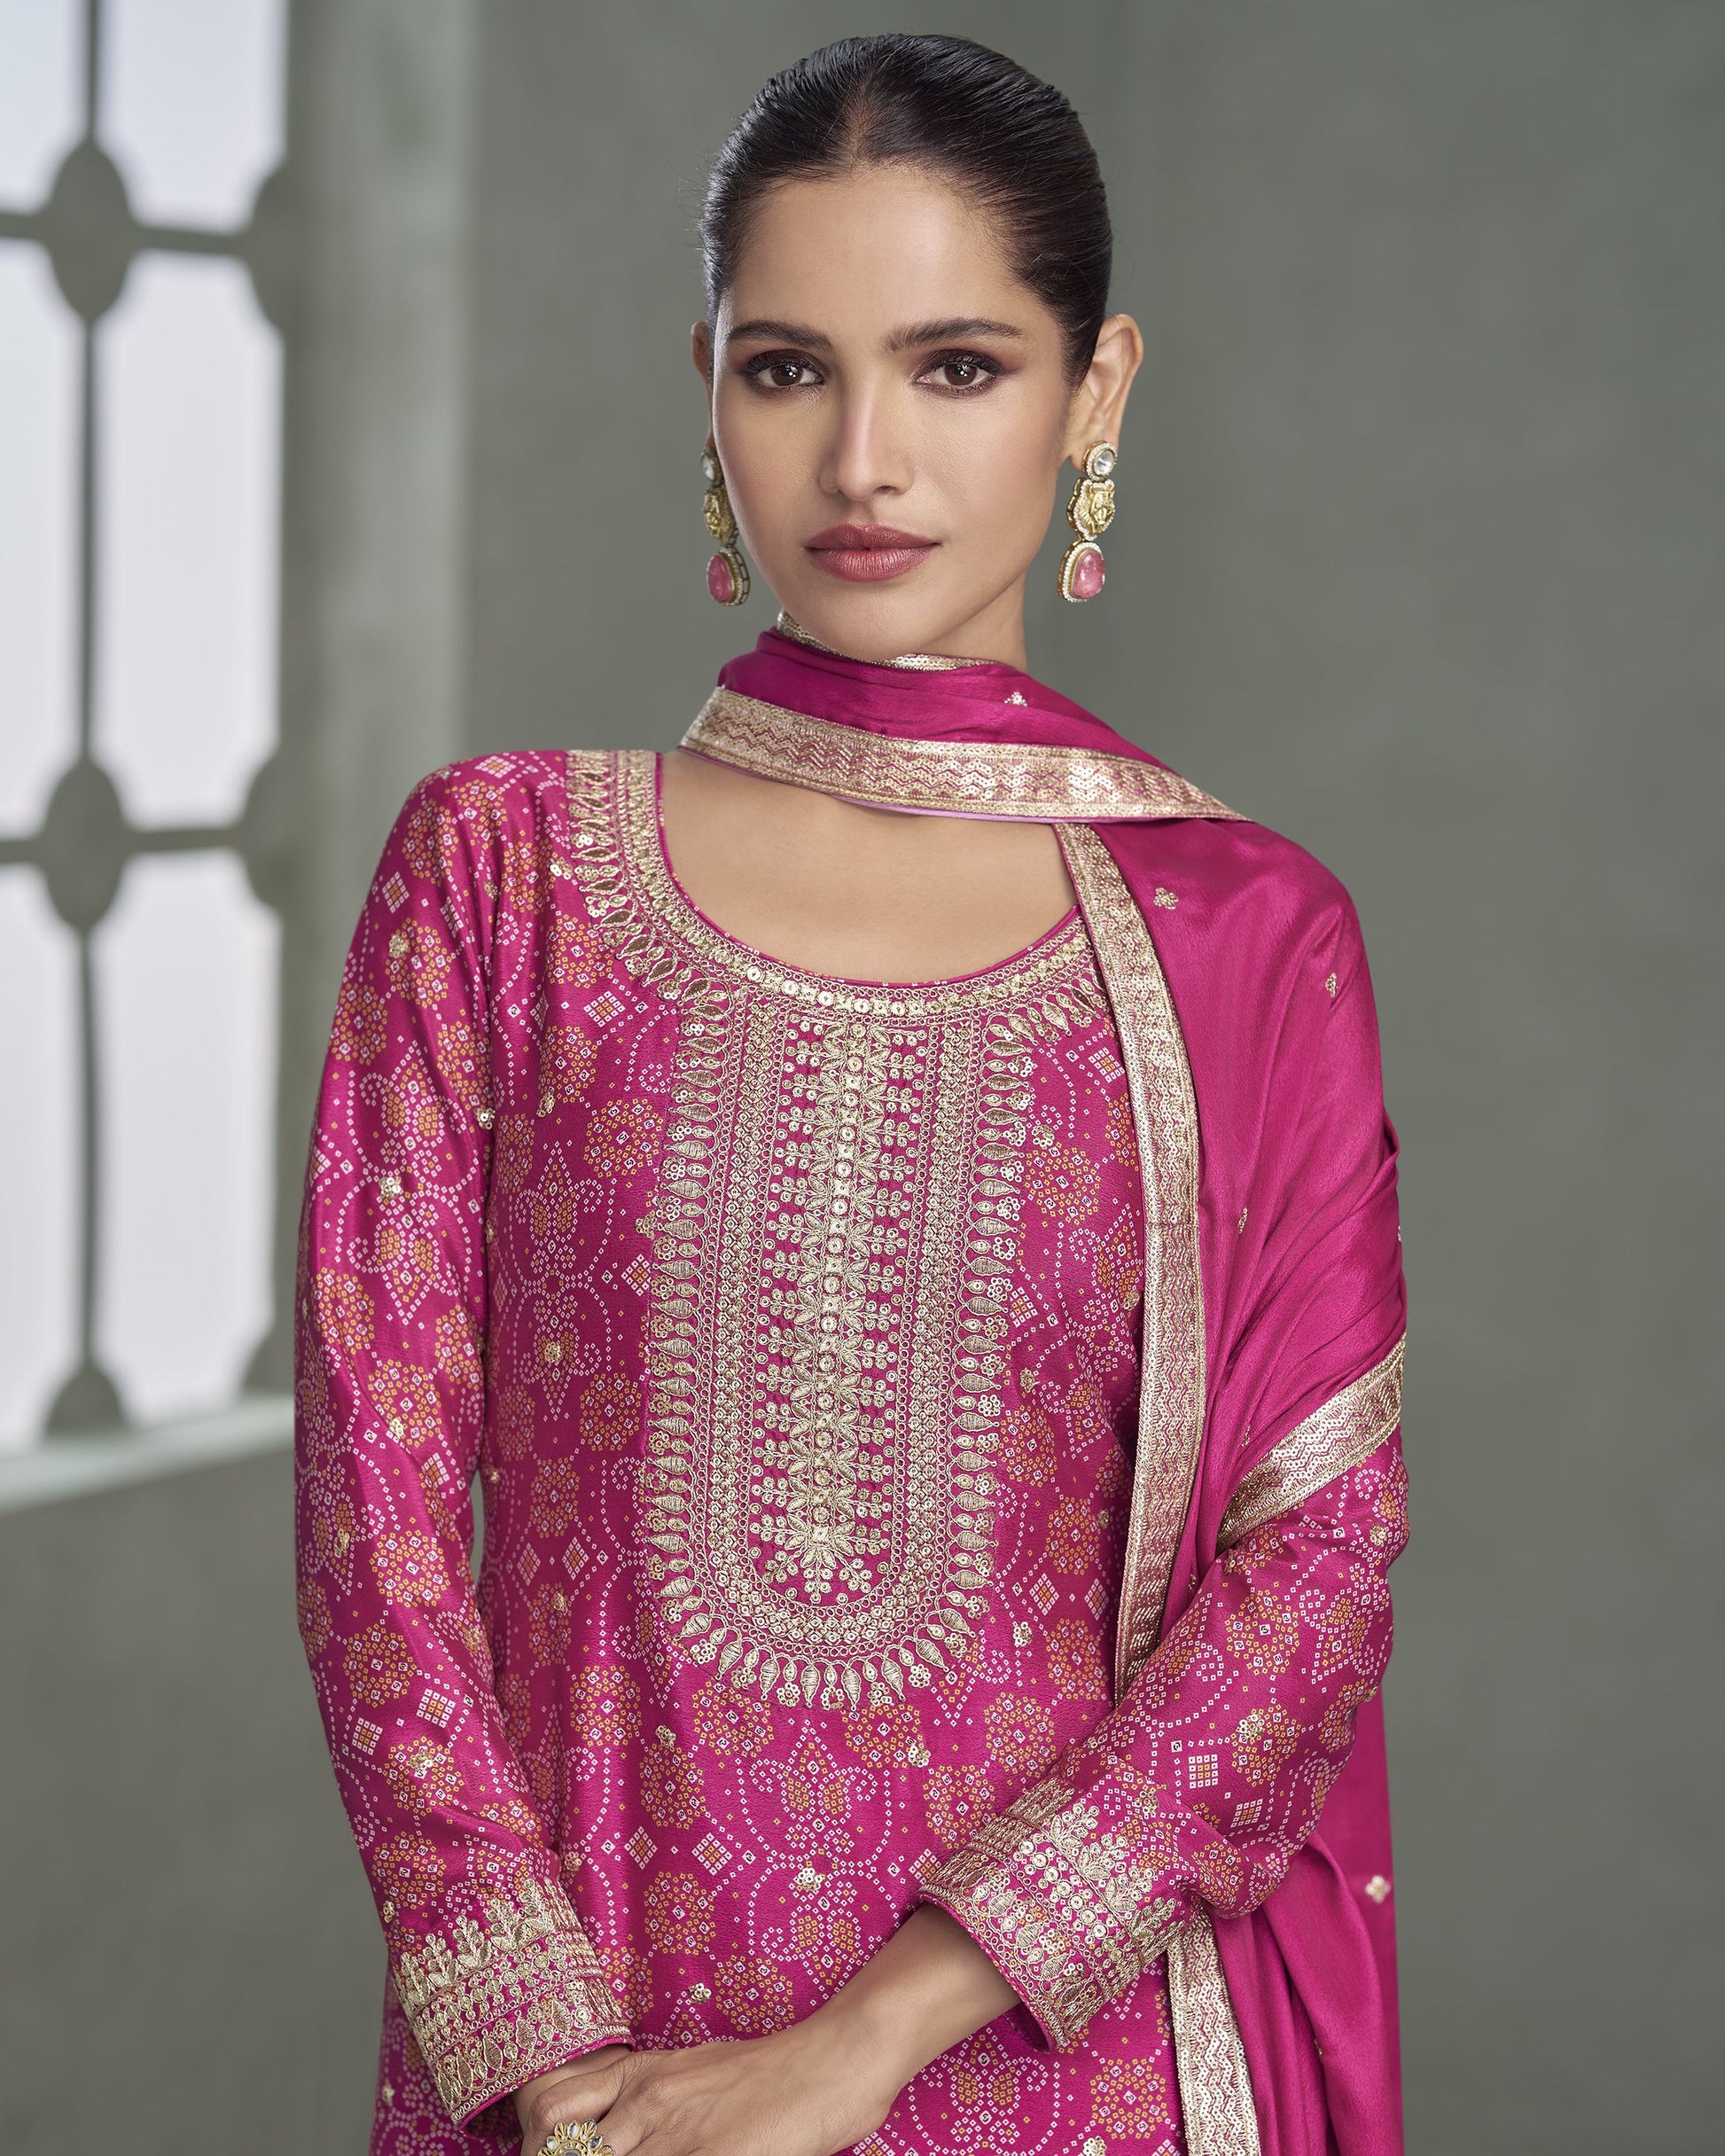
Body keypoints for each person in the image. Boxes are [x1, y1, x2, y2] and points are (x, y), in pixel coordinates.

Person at [293, 34, 1409, 2156]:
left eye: (958, 368)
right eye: (788, 369)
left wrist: (856, 2047)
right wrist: (555, 2074)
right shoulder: (505, 877)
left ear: (1096, 392)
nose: (864, 459)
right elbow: (380, 1528)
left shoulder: (1244, 934)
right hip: (582, 2078)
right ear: (704, 390)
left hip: (1070, 2077)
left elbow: (1315, 1576)